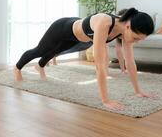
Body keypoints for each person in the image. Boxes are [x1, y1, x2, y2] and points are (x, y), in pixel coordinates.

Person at [13, 7, 154, 110]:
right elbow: (99, 65)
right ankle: (17, 68)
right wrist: (105, 100)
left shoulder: (125, 31)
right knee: (40, 50)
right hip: (62, 28)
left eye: (139, 40)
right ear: (128, 26)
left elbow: (130, 62)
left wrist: (138, 91)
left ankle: (40, 66)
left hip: (77, 37)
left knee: (56, 50)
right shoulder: (105, 23)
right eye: (136, 38)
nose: (136, 41)